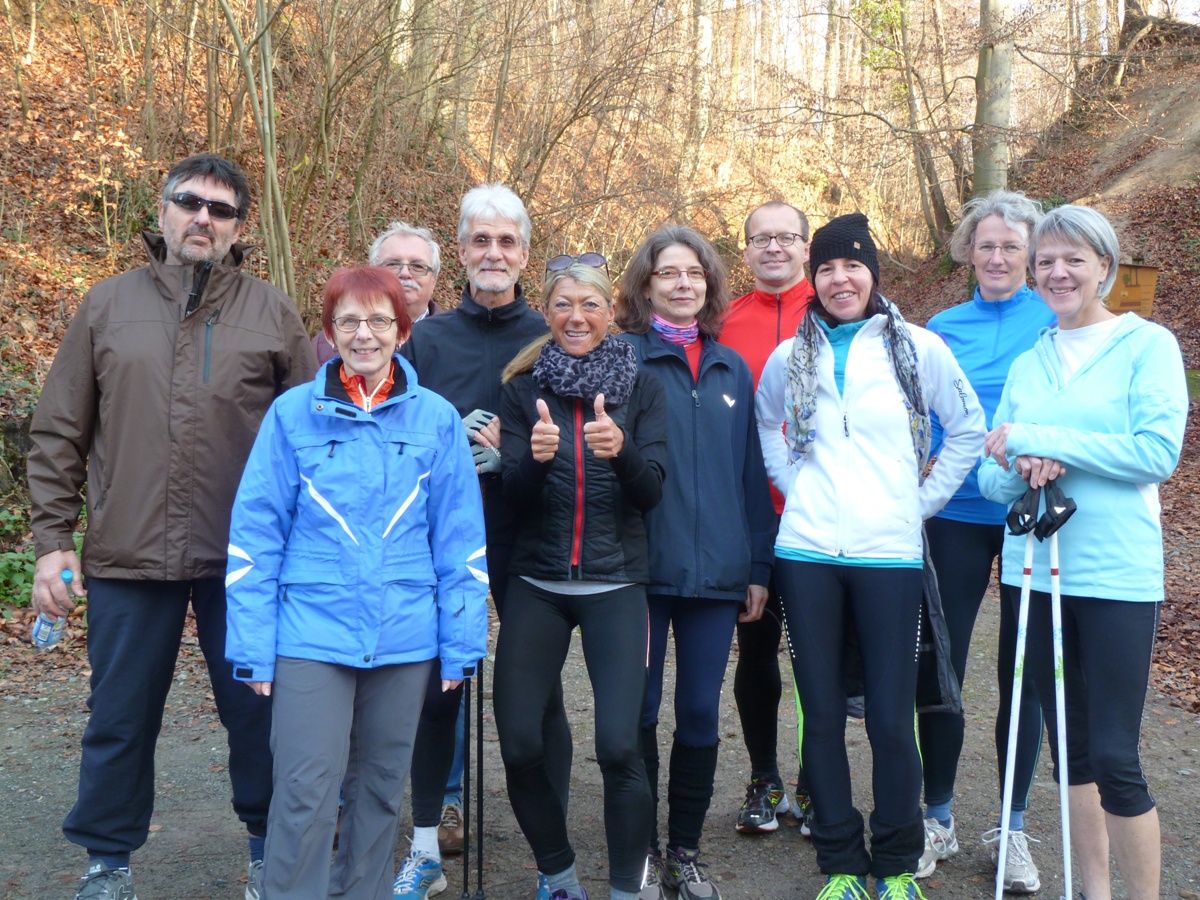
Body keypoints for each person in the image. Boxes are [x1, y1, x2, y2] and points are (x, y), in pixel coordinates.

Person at [26, 153, 317, 900]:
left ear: (238, 227)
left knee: (261, 714)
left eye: (220, 210)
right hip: (128, 552)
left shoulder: (272, 314)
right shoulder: (107, 306)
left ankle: (268, 855)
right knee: (119, 717)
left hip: (245, 562)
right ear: (161, 211)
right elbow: (59, 431)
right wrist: (54, 543)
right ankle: (107, 864)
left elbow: (312, 442)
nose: (202, 218)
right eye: (189, 202)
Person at [224, 266, 489, 900]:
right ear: (330, 332)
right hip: (311, 632)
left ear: (402, 329)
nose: (363, 334)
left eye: (378, 321)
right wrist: (254, 645)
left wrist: (461, 642)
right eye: (348, 321)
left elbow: (462, 544)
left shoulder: (438, 420)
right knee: (305, 791)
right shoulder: (292, 416)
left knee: (378, 789)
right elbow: (254, 538)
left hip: (405, 634)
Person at [755, 213, 984, 900]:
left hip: (890, 553)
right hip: (808, 554)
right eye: (825, 268)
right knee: (820, 712)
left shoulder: (918, 348)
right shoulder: (789, 357)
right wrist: (795, 489)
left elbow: (968, 427)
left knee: (891, 715)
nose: (839, 278)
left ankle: (894, 864)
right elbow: (768, 422)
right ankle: (842, 865)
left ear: (872, 273)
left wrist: (919, 503)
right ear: (814, 280)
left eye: (851, 265)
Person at [979, 204, 1187, 900]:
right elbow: (992, 473)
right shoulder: (1031, 358)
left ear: (1105, 265)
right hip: (1036, 571)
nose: (1058, 272)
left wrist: (1049, 442)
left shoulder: (1146, 344)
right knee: (1069, 750)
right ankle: (1090, 893)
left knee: (1115, 754)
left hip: (1117, 575)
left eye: (1075, 259)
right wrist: (1022, 460)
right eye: (1047, 261)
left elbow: (1156, 452)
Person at [396, 184, 562, 900]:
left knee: (538, 695)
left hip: (530, 538)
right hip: (440, 542)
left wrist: (516, 453)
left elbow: (574, 443)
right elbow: (397, 439)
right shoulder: (426, 340)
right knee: (438, 691)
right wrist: (446, 451)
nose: (494, 254)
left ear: (525, 252)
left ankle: (553, 855)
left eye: (507, 242)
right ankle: (427, 844)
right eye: (480, 241)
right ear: (460, 251)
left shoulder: (551, 335)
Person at [494, 259, 668, 900]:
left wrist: (620, 452)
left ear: (610, 313)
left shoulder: (642, 387)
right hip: (536, 582)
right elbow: (511, 500)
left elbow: (652, 494)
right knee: (518, 742)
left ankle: (627, 886)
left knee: (619, 746)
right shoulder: (520, 388)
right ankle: (559, 873)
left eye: (590, 305)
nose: (576, 317)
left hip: (616, 583)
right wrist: (535, 464)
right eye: (564, 305)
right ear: (547, 312)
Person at [616, 226, 775, 900]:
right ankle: (643, 849)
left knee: (702, 714)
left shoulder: (731, 367)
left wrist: (758, 567)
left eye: (695, 274)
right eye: (668, 273)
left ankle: (685, 850)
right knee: (641, 710)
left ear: (709, 285)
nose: (683, 284)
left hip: (718, 577)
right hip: (645, 572)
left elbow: (751, 473)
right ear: (645, 284)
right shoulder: (622, 359)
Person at [915, 190, 1057, 890]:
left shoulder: (1058, 321)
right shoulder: (941, 327)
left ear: (1032, 254)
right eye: (986, 245)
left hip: (1035, 515)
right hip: (955, 515)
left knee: (1023, 671)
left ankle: (1014, 826)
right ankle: (935, 816)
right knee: (940, 665)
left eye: (1011, 246)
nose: (998, 257)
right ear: (968, 251)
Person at [717, 200, 816, 834]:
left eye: (786, 237)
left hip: (821, 516)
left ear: (806, 247)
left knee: (819, 658)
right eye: (761, 239)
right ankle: (763, 778)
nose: (774, 248)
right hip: (749, 516)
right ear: (746, 251)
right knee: (755, 650)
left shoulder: (840, 309)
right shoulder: (723, 322)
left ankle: (815, 785)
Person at [312, 221, 441, 364]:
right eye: (392, 264)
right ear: (371, 273)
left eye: (417, 266)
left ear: (434, 280)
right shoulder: (324, 346)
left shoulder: (454, 343)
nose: (405, 273)